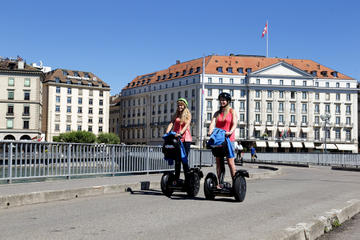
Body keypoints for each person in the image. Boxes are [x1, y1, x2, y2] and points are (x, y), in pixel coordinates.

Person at [208, 92, 238, 188]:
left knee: (230, 162)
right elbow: (212, 123)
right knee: (219, 162)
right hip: (218, 140)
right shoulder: (217, 113)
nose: (222, 101)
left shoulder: (232, 111)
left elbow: (234, 123)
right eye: (221, 100)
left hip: (229, 139)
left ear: (228, 101)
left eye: (224, 100)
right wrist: (210, 131)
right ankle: (220, 183)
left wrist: (230, 131)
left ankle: (235, 183)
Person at [166, 98, 192, 184]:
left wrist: (180, 132)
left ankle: (188, 179)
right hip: (176, 139)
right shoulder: (176, 115)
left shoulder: (188, 114)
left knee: (183, 159)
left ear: (185, 106)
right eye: (178, 105)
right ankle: (176, 179)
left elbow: (186, 125)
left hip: (185, 139)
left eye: (181, 105)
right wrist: (167, 132)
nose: (180, 106)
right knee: (177, 160)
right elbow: (171, 123)